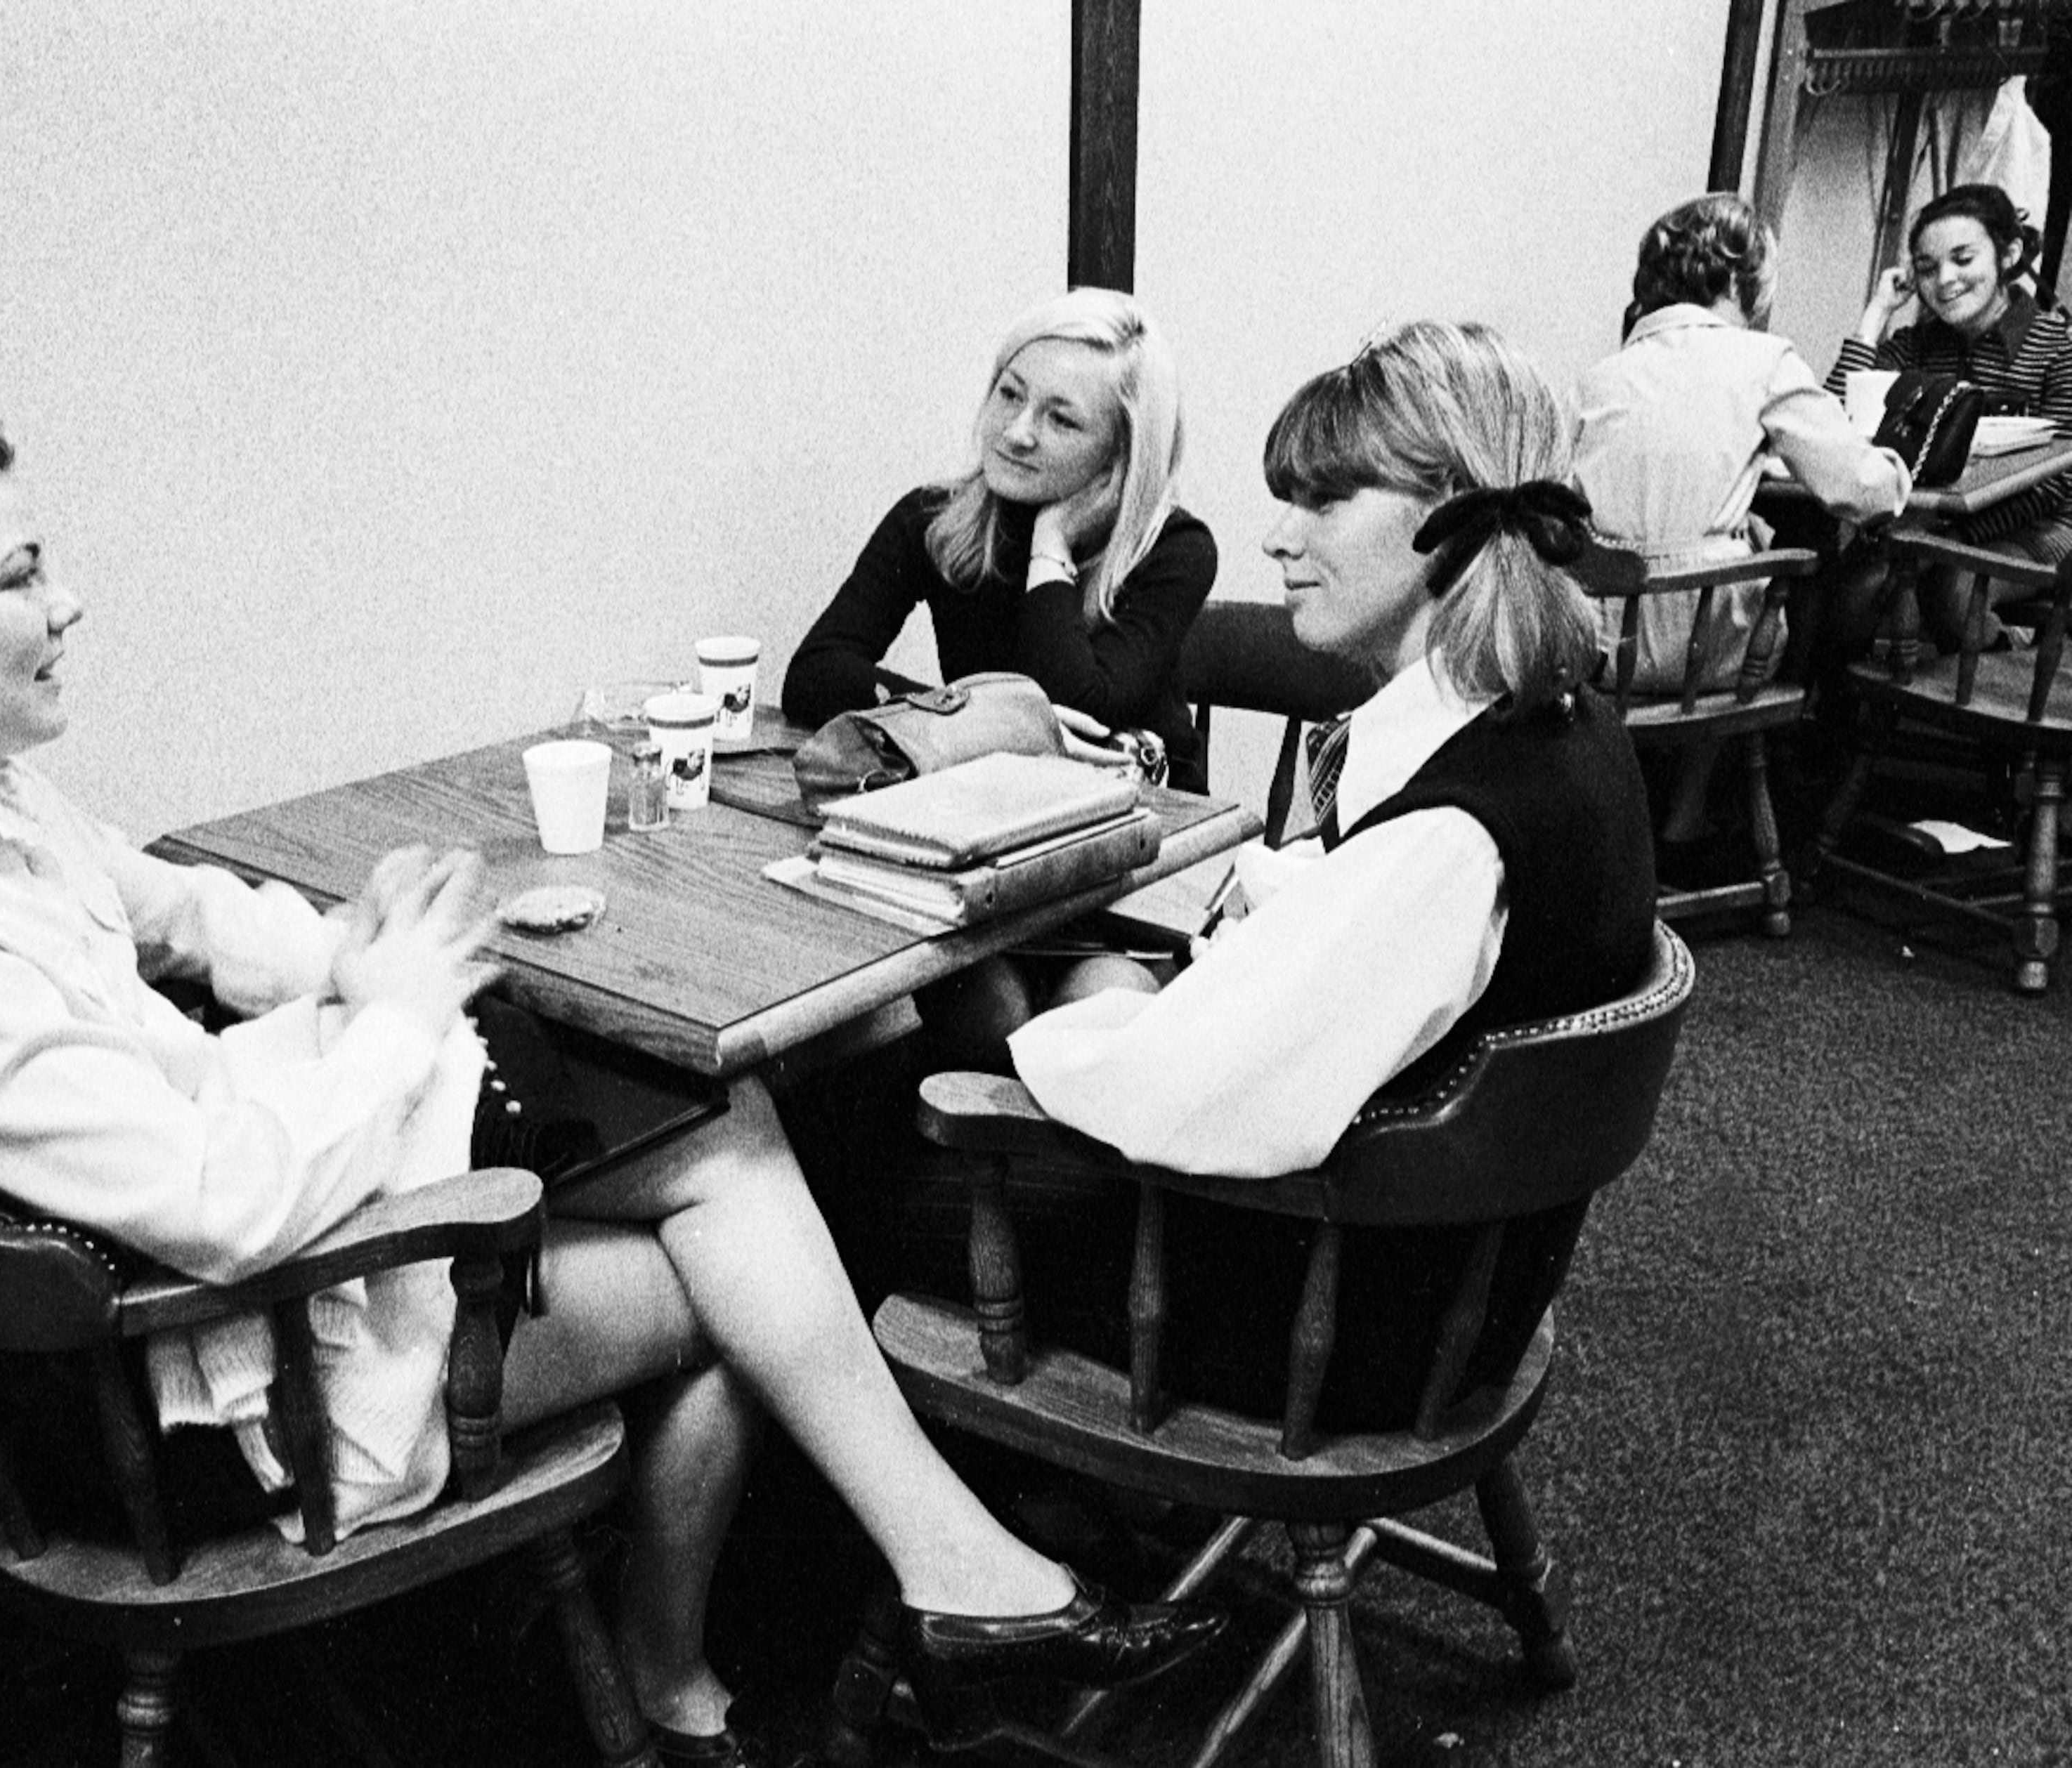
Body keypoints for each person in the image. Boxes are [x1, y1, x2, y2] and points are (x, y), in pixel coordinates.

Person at [0, 402, 1219, 1767]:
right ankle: (713, 1660)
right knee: (745, 1257)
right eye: (17, 577)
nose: (68, 604)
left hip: (191, 1253)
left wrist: (367, 945)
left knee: (729, 1138)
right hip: (165, 1382)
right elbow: (229, 1208)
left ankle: (923, 1579)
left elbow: (187, 909)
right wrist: (402, 1013)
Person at [988, 322, 1657, 1426]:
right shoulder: (1557, 727)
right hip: (1446, 1268)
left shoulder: (1452, 836)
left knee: (854, 1135)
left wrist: (1031, 1047)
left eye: (1325, 502)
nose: (1277, 537)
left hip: (1326, 1313)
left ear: (1450, 517)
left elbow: (1187, 1096)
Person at [781, 286, 1218, 791]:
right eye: (1010, 393)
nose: (1016, 432)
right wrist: (975, 723)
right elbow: (813, 674)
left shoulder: (1174, 547)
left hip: (1151, 825)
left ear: (1121, 453)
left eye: (1061, 418)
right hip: (993, 808)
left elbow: (1084, 707)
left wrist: (1050, 546)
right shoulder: (934, 518)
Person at [1575, 192, 1909, 844]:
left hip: (1605, 646)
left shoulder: (1599, 378)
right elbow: (1855, 487)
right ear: (1739, 279)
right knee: (1809, 567)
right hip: (1710, 651)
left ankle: (1658, 806)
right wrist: (1898, 470)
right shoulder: (1764, 362)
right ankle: (1721, 803)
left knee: (1740, 547)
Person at [1827, 181, 2072, 650]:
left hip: (2042, 529)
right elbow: (1834, 414)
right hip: (1928, 527)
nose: (1944, 280)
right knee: (1848, 585)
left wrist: (1949, 533)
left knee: (1951, 591)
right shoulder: (1915, 345)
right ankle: (1844, 712)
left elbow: (2057, 483)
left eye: (1963, 260)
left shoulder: (2056, 348)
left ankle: (2006, 653)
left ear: (2008, 255)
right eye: (1927, 268)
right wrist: (1876, 314)